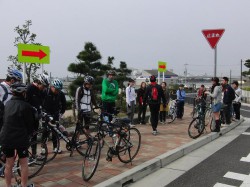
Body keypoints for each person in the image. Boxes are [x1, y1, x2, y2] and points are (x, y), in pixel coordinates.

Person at [0, 83, 35, 187]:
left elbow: (4, 120)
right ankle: (24, 186)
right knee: (24, 163)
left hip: (6, 138)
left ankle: (9, 186)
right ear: (23, 93)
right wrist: (30, 134)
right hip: (20, 139)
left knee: (9, 164)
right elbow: (30, 125)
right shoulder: (26, 106)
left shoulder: (7, 104)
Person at [26, 73, 50, 156]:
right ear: (39, 82)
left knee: (34, 135)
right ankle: (26, 155)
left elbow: (41, 102)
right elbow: (25, 103)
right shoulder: (29, 88)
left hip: (36, 116)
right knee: (28, 136)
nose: (43, 88)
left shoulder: (41, 90)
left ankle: (34, 154)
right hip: (29, 117)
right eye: (43, 86)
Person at [43, 79, 66, 153]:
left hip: (55, 113)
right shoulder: (45, 92)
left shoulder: (60, 93)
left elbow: (64, 104)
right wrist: (43, 113)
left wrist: (61, 113)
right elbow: (40, 102)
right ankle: (43, 148)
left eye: (59, 89)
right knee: (45, 131)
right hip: (46, 113)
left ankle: (55, 147)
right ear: (52, 87)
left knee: (55, 131)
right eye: (56, 89)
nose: (57, 91)